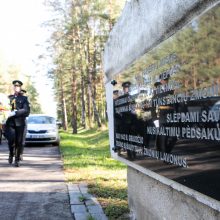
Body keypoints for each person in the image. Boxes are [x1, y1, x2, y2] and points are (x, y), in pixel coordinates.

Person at [5, 80, 30, 167]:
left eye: (18, 86)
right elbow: (4, 108)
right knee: (11, 141)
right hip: (10, 123)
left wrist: (16, 112)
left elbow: (26, 111)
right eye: (15, 86)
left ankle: (17, 159)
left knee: (19, 142)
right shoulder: (9, 98)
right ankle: (11, 154)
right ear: (13, 87)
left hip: (20, 123)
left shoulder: (24, 99)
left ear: (20, 88)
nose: (16, 88)